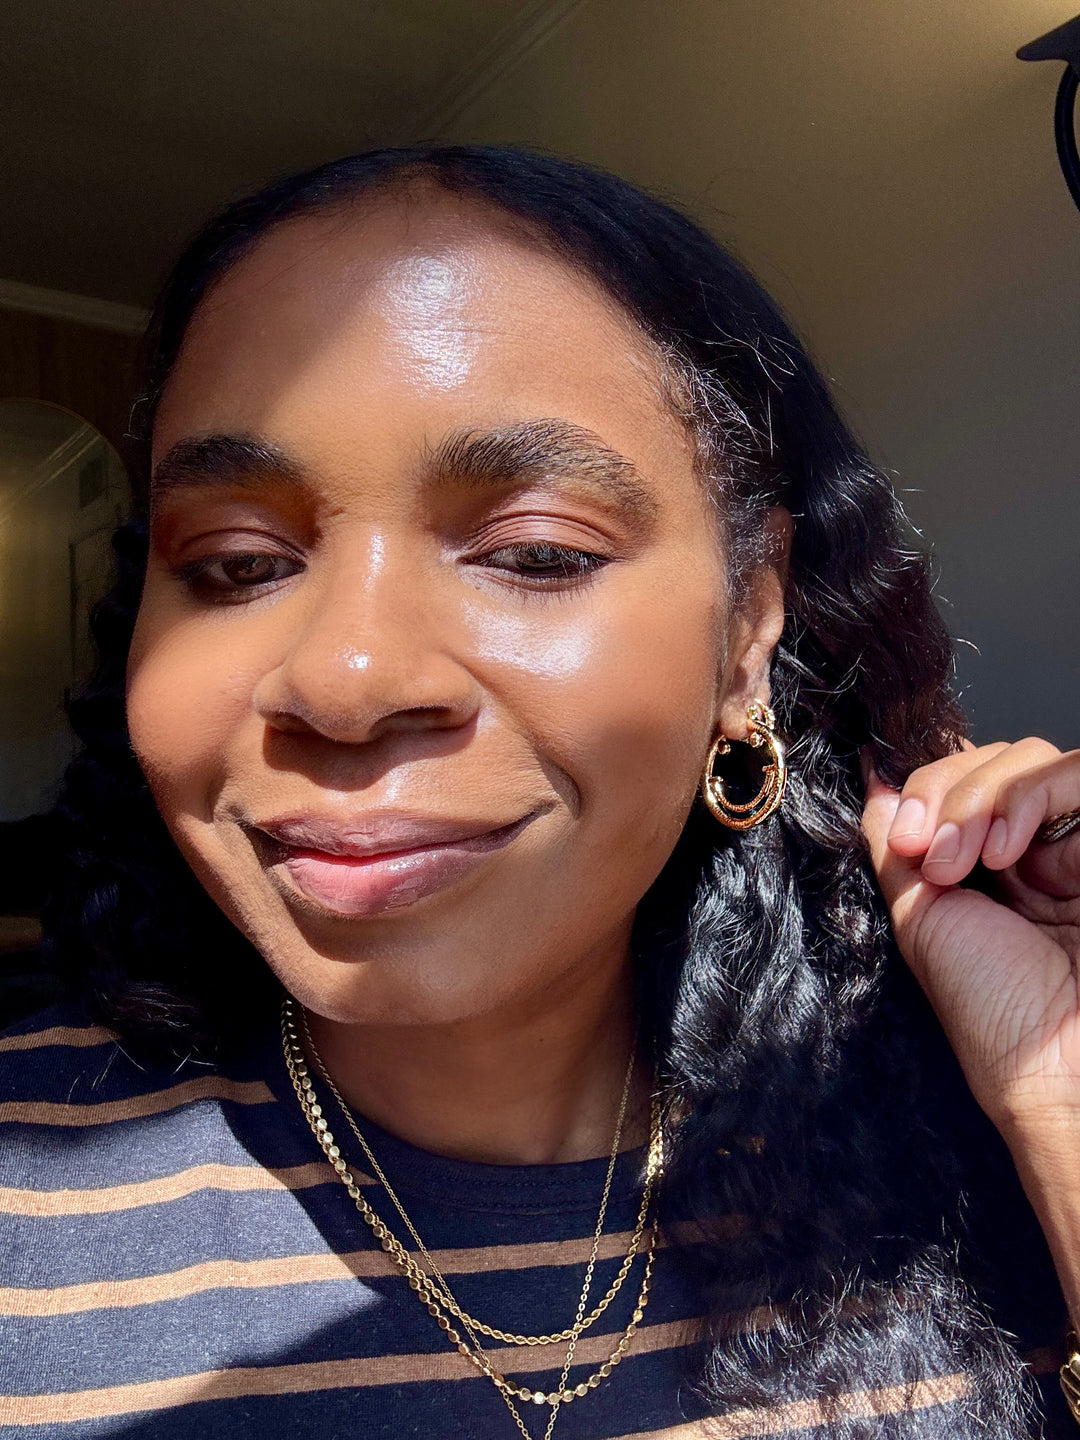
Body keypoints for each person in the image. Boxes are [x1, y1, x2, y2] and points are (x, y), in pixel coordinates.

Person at [0, 144, 1077, 1439]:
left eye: (534, 552)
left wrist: (1057, 1100)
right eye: (234, 564)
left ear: (747, 627)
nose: (345, 680)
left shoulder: (965, 1145)